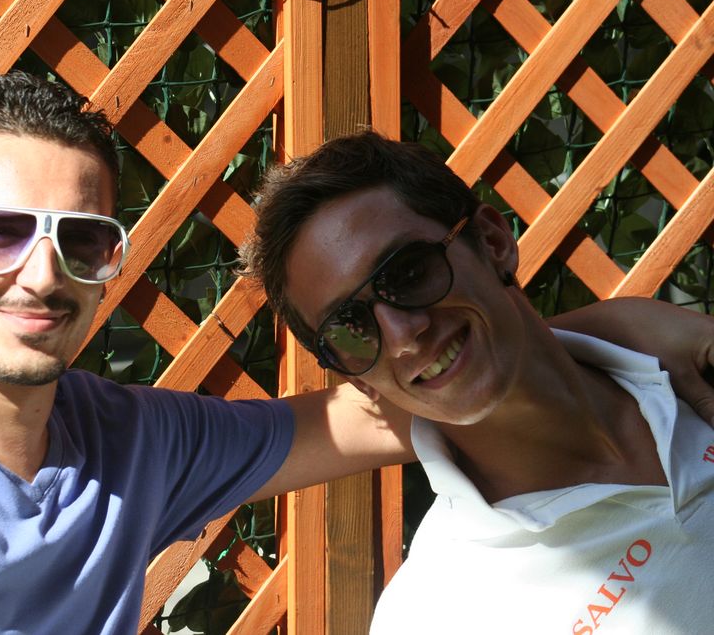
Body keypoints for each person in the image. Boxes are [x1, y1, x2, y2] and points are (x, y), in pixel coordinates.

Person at [0, 75, 711, 635]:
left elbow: (410, 384)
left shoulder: (129, 443)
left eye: (81, 239)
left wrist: (636, 330)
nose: (41, 273)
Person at [240, 130, 714, 634]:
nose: (402, 336)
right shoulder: (436, 617)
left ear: (493, 242)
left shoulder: (693, 365)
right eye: (349, 327)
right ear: (353, 379)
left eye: (406, 272)